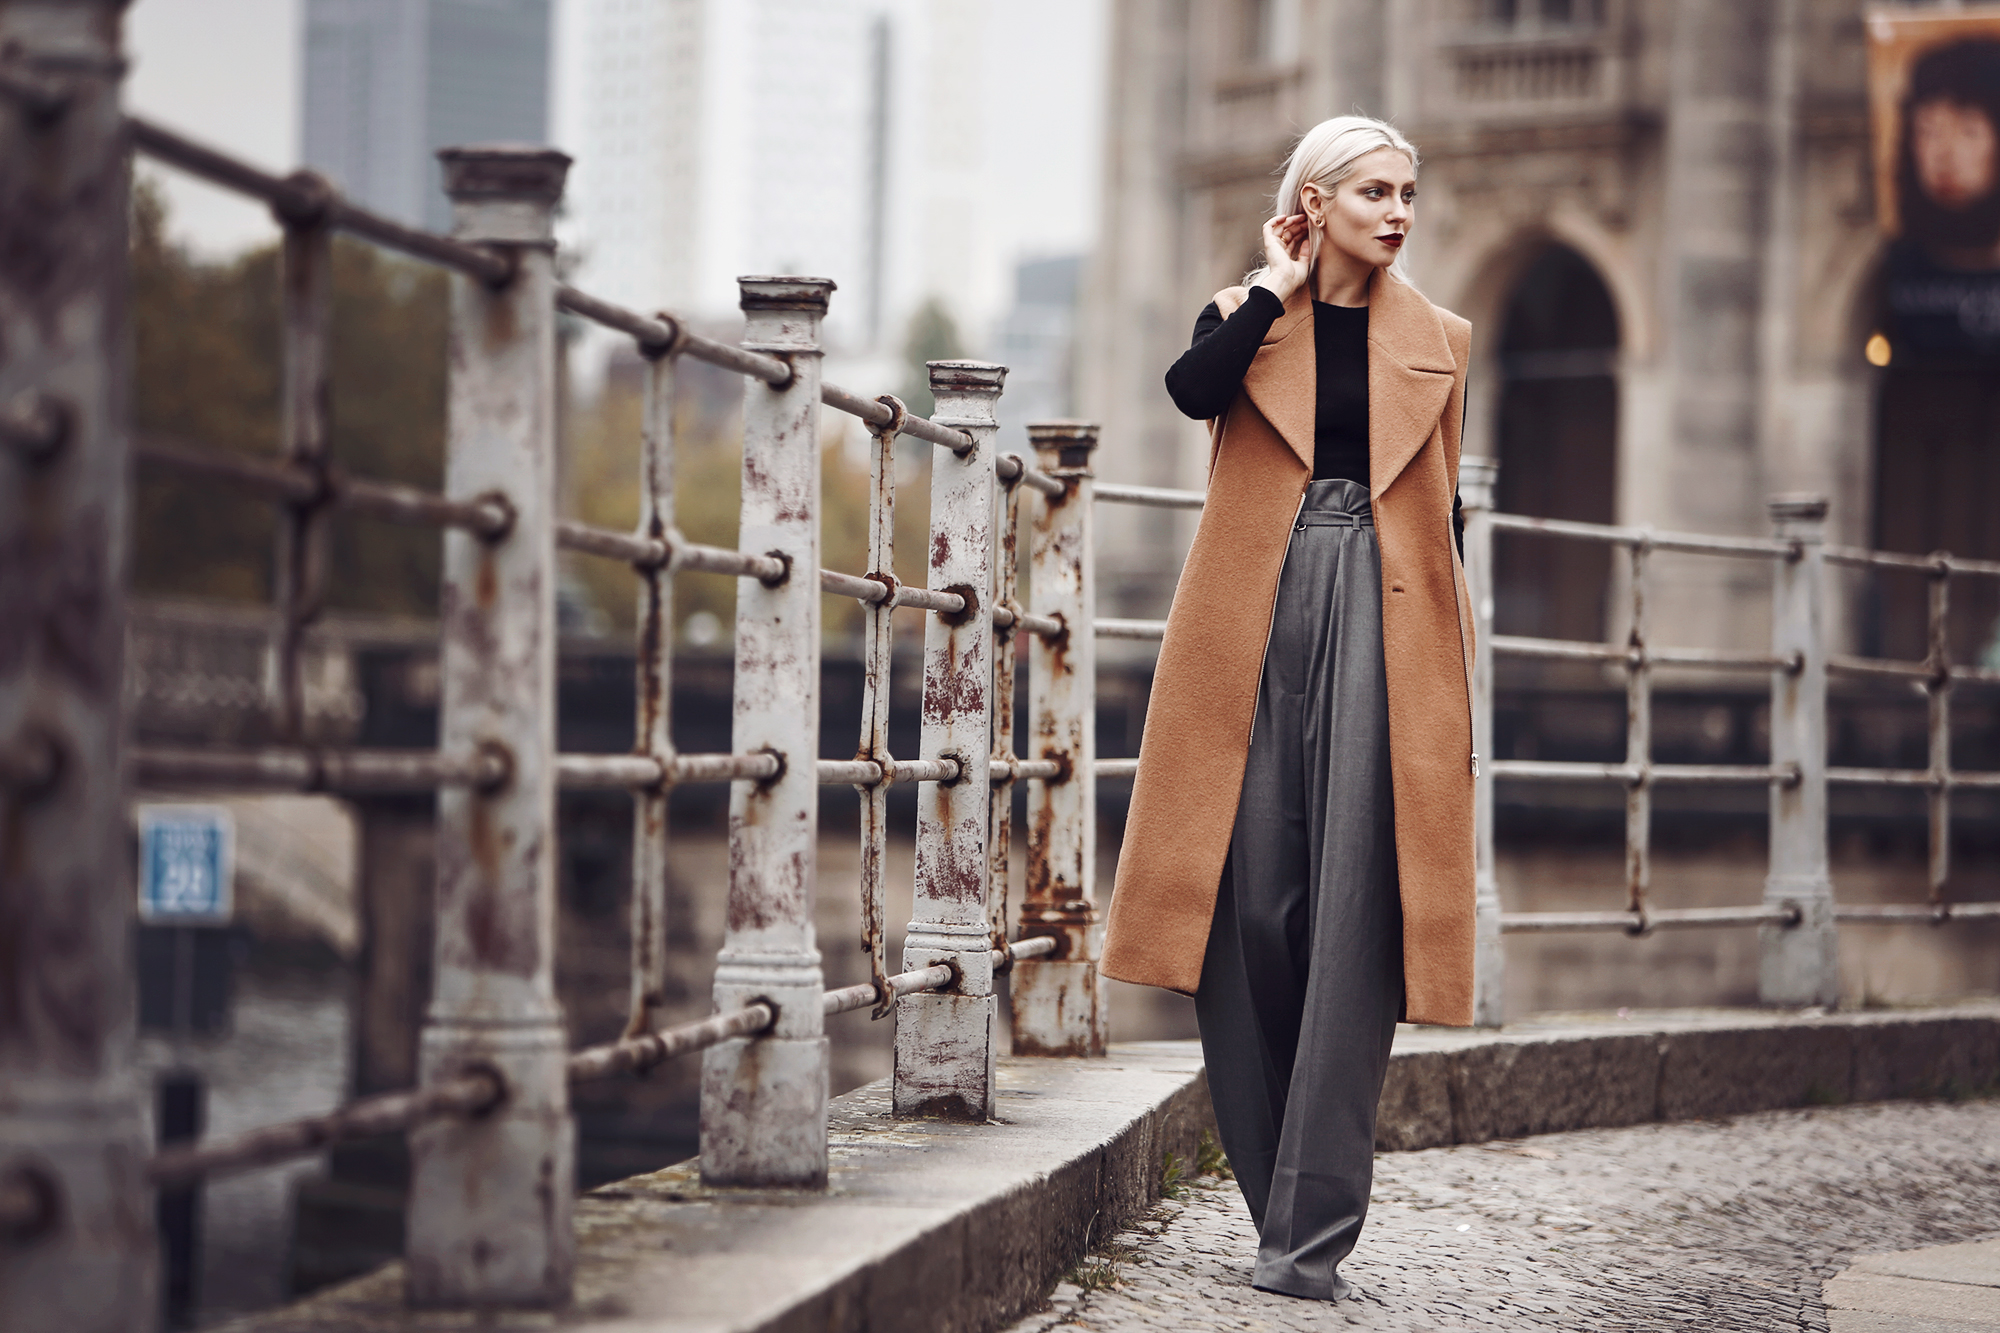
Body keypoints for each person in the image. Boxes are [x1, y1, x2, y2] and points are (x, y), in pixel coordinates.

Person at [1098, 115, 1477, 1301]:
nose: (1398, 210)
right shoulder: (1243, 317)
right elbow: (1188, 393)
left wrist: (1441, 670)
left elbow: (1441, 513)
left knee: (1355, 914)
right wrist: (1273, 282)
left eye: (1407, 191)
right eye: (1372, 190)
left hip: (1385, 614)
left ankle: (1309, 1236)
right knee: (1247, 905)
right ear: (1314, 201)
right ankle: (1278, 1194)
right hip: (1252, 617)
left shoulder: (1442, 340)